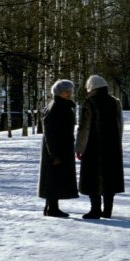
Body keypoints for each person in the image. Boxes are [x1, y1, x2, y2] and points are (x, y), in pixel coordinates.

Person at [75, 75, 124, 219]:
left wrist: (79, 148)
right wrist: (117, 142)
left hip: (93, 146)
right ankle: (107, 210)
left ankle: (95, 209)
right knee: (110, 177)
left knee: (92, 178)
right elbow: (120, 124)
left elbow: (84, 128)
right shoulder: (115, 102)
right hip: (112, 146)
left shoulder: (90, 103)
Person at [38, 79, 79, 217]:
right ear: (59, 92)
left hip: (61, 147)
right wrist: (54, 154)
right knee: (54, 177)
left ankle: (50, 206)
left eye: (70, 91)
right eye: (66, 91)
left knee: (55, 177)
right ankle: (52, 208)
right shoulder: (56, 106)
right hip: (57, 148)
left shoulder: (61, 105)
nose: (69, 93)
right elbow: (49, 132)